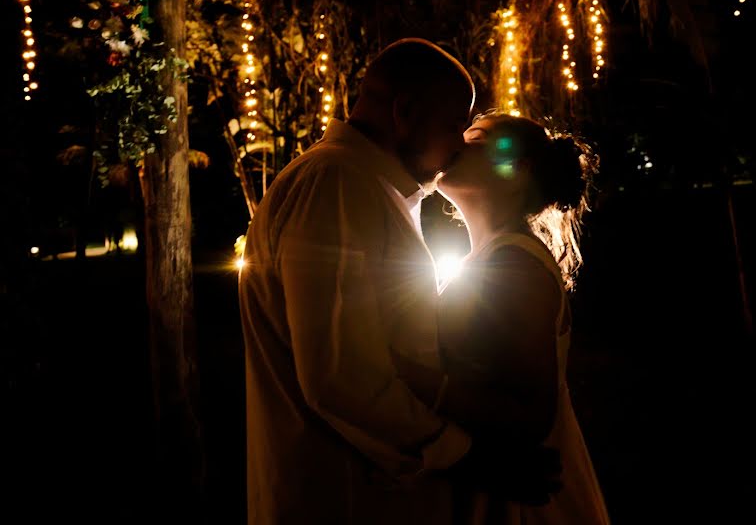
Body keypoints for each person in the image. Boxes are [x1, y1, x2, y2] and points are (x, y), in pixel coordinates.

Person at [239, 39, 559, 524]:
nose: (456, 147)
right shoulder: (338, 185)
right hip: (342, 497)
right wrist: (469, 457)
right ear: (404, 110)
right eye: (454, 126)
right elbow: (342, 377)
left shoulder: (367, 186)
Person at [394, 111, 611, 524]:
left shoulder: (514, 264)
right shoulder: (492, 257)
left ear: (515, 170)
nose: (455, 142)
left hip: (515, 503)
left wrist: (418, 382)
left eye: (475, 137)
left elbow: (532, 414)